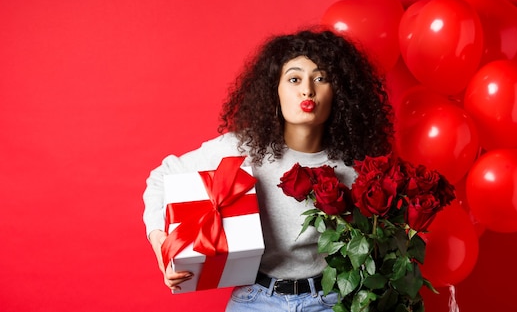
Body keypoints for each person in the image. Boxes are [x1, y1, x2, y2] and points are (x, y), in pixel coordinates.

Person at [143, 28, 395, 311]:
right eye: (294, 78)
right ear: (274, 90)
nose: (307, 90)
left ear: (340, 91)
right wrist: (162, 245)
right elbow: (161, 177)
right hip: (255, 299)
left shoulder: (356, 166)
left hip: (330, 300)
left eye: (321, 78)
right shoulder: (245, 148)